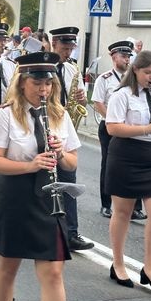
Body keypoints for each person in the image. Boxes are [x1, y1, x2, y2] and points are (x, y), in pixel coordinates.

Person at [0, 51, 80, 301]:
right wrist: (30, 164)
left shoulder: (59, 115)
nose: (44, 90)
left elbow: (73, 163)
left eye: (48, 84)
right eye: (37, 83)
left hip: (48, 199)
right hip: (14, 196)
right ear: (22, 82)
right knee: (8, 268)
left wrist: (61, 152)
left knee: (53, 272)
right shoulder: (5, 116)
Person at [104, 50, 151, 291]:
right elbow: (112, 127)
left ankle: (149, 268)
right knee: (122, 212)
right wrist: (148, 127)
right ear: (136, 70)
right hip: (126, 155)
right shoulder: (122, 95)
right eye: (147, 72)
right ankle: (118, 264)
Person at [49, 26, 94, 251]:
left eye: (70, 48)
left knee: (68, 178)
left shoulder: (71, 69)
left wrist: (81, 99)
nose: (68, 52)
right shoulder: (44, 67)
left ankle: (72, 232)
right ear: (54, 43)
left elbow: (81, 102)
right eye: (65, 47)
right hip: (47, 122)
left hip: (65, 126)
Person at [91, 40, 146, 220]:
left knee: (134, 166)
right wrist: (112, 119)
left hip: (130, 128)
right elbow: (97, 102)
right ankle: (106, 205)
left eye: (129, 56)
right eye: (123, 56)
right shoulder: (104, 79)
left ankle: (136, 207)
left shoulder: (134, 80)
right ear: (114, 57)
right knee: (109, 165)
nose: (127, 60)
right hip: (109, 127)